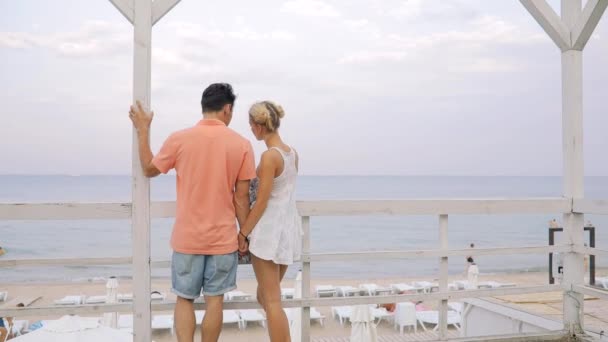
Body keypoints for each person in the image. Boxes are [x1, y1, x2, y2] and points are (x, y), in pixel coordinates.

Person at [128, 83, 256, 342]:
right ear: (227, 109)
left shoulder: (180, 138)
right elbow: (241, 199)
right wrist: (244, 234)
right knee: (215, 301)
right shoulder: (242, 144)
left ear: (204, 107)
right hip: (223, 239)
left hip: (187, 238)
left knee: (184, 299)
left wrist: (143, 130)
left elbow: (149, 169)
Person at [237, 101, 301, 342]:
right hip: (287, 231)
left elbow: (261, 202)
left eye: (251, 125)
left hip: (269, 233)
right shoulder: (292, 154)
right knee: (265, 297)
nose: (251, 130)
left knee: (272, 301)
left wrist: (243, 233)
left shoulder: (269, 157)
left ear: (260, 126)